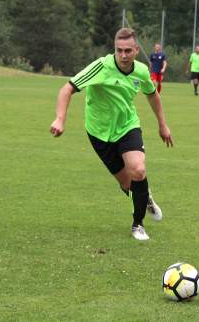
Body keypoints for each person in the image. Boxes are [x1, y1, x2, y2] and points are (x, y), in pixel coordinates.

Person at [50, 28, 174, 241]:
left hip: (127, 126)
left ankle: (138, 224)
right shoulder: (101, 67)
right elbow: (67, 88)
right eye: (119, 51)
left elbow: (153, 96)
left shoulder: (142, 72)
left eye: (128, 50)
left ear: (136, 50)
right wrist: (60, 118)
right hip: (99, 132)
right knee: (127, 183)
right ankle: (146, 199)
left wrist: (162, 125)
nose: (123, 55)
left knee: (138, 169)